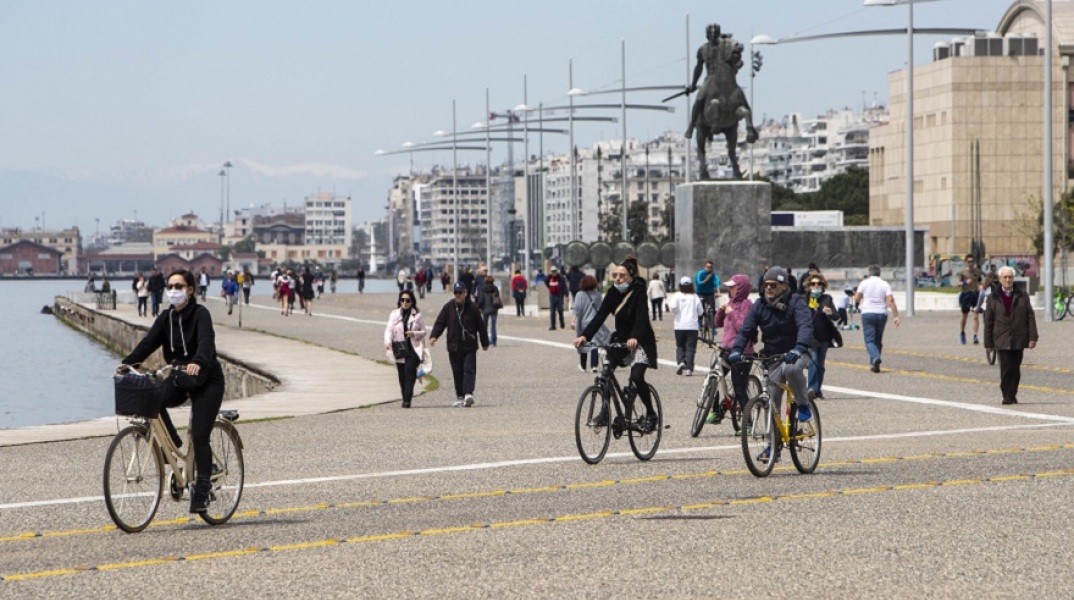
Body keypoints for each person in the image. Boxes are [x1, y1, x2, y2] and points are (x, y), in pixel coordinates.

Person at [119, 269, 224, 514]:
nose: (173, 291)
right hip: (179, 378)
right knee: (152, 399)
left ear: (190, 289)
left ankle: (202, 489)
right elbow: (149, 342)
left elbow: (207, 342)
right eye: (170, 286)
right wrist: (128, 363)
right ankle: (174, 445)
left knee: (200, 435)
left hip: (207, 379)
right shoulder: (166, 318)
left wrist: (198, 360)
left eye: (179, 286)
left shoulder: (201, 314)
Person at [729, 267, 813, 463]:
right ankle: (772, 446)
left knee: (791, 369)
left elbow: (805, 326)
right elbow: (746, 330)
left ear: (784, 286)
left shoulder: (796, 302)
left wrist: (799, 347)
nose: (769, 288)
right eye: (766, 285)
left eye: (773, 285)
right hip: (773, 356)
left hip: (796, 352)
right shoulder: (759, 305)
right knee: (771, 402)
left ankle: (802, 404)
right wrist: (737, 350)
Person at [573, 256, 659, 433]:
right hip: (620, 340)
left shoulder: (639, 291)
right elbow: (600, 316)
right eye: (615, 275)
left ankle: (651, 414)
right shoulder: (613, 293)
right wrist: (584, 336)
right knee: (605, 372)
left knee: (636, 377)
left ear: (631, 276)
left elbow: (642, 318)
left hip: (640, 341)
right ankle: (604, 412)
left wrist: (634, 336)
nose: (618, 279)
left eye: (622, 275)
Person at [684, 23, 757, 143]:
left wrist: (736, 47)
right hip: (710, 78)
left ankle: (751, 127)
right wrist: (693, 84)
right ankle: (692, 125)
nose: (712, 36)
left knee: (741, 97)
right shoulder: (702, 49)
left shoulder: (725, 45)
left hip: (725, 77)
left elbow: (736, 47)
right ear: (707, 35)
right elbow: (698, 68)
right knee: (700, 97)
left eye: (715, 33)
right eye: (710, 33)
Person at [429, 281, 490, 408]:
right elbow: (440, 323)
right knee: (457, 372)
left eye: (460, 292)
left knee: (469, 370)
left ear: (465, 293)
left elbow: (481, 326)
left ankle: (468, 393)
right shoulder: (448, 307)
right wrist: (434, 336)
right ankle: (460, 396)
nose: (458, 295)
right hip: (453, 346)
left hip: (469, 345)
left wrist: (485, 342)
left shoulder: (473, 308)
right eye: (456, 292)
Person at [984, 266, 1038, 405]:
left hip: (1018, 337)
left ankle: (1013, 393)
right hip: (1001, 338)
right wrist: (988, 344)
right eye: (1005, 277)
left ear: (1013, 279)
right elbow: (988, 322)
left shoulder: (1022, 295)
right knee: (1006, 368)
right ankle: (1006, 395)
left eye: (1010, 277)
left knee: (1015, 368)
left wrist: (1033, 337)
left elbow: (1030, 316)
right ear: (1000, 279)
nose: (1008, 280)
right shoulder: (993, 298)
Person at [714, 274, 755, 423]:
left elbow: (742, 327)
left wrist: (731, 312)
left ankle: (748, 423)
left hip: (743, 352)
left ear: (741, 288)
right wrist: (720, 311)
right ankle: (716, 410)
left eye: (733, 287)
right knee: (713, 377)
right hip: (726, 349)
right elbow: (717, 323)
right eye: (728, 287)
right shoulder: (730, 302)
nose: (729, 290)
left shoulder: (747, 304)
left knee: (739, 388)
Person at [384, 289, 426, 408]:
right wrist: (387, 342)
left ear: (412, 302)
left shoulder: (417, 315)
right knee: (402, 374)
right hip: (400, 347)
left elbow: (424, 331)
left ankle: (407, 399)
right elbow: (389, 330)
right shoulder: (394, 314)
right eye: (402, 300)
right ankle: (404, 395)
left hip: (413, 347)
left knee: (409, 371)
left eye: (407, 300)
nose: (405, 302)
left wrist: (414, 333)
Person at [854, 265, 900, 373]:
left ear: (869, 273)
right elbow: (891, 300)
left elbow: (857, 297)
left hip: (868, 313)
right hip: (881, 313)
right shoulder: (885, 284)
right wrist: (896, 315)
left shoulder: (864, 283)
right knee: (878, 340)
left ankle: (875, 358)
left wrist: (856, 305)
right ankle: (875, 365)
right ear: (879, 273)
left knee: (869, 340)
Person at [804, 272, 840, 400]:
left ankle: (817, 390)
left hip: (824, 336)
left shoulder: (827, 298)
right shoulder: (805, 299)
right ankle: (811, 388)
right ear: (809, 285)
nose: (816, 286)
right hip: (810, 335)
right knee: (813, 360)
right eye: (813, 284)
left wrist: (830, 313)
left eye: (818, 283)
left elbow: (837, 316)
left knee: (820, 363)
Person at [665, 276, 703, 376]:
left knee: (680, 346)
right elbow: (700, 311)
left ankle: (681, 362)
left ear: (680, 285)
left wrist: (677, 312)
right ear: (691, 285)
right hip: (692, 326)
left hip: (679, 325)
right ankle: (689, 369)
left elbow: (672, 307)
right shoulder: (695, 296)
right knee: (690, 348)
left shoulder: (677, 295)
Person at [572, 275, 609, 373]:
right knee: (595, 343)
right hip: (595, 322)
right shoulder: (597, 294)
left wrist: (573, 321)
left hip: (583, 323)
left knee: (584, 343)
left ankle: (583, 366)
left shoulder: (579, 294)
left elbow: (577, 309)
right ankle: (594, 366)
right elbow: (602, 309)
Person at [957, 254, 983, 345]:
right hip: (966, 295)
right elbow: (958, 283)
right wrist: (964, 282)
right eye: (969, 262)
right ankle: (962, 332)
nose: (971, 263)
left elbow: (980, 281)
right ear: (966, 262)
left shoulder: (977, 272)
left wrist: (980, 286)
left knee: (976, 316)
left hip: (975, 295)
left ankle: (975, 336)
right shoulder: (963, 272)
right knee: (965, 315)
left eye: (972, 261)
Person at [478, 276, 500, 347]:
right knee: (493, 326)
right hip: (494, 308)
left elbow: (481, 299)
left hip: (485, 309)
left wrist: (478, 307)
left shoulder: (482, 289)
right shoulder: (495, 288)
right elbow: (497, 297)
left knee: (484, 326)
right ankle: (493, 341)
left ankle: (485, 341)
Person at [546, 266, 567, 330]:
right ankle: (553, 326)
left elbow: (564, 287)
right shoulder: (549, 278)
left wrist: (567, 295)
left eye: (555, 271)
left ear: (557, 271)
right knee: (552, 312)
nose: (554, 272)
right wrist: (549, 275)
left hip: (559, 296)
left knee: (560, 310)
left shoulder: (561, 278)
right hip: (552, 296)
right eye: (552, 271)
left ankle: (562, 324)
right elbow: (546, 281)